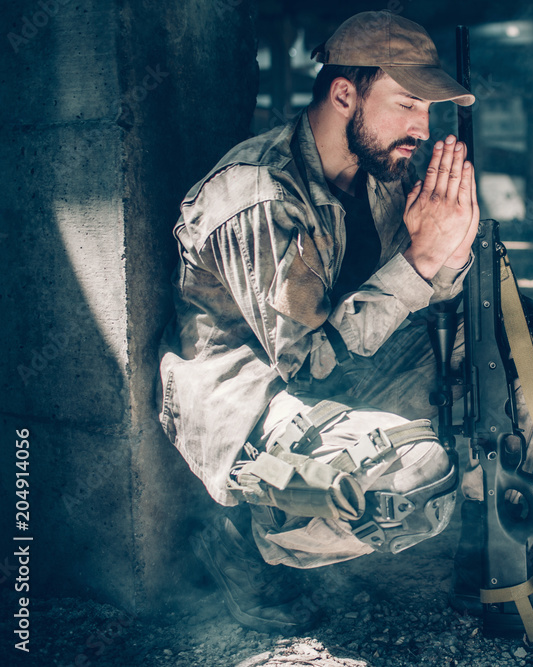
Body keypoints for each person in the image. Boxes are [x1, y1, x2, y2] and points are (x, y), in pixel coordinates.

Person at [157, 10, 484, 633]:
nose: (422, 127)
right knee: (410, 491)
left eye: (429, 110)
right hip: (255, 395)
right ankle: (244, 541)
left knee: (503, 363)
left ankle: (490, 547)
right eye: (408, 104)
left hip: (342, 369)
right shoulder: (258, 195)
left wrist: (452, 256)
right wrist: (420, 261)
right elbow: (304, 362)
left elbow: (415, 304)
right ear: (344, 94)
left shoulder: (382, 174)